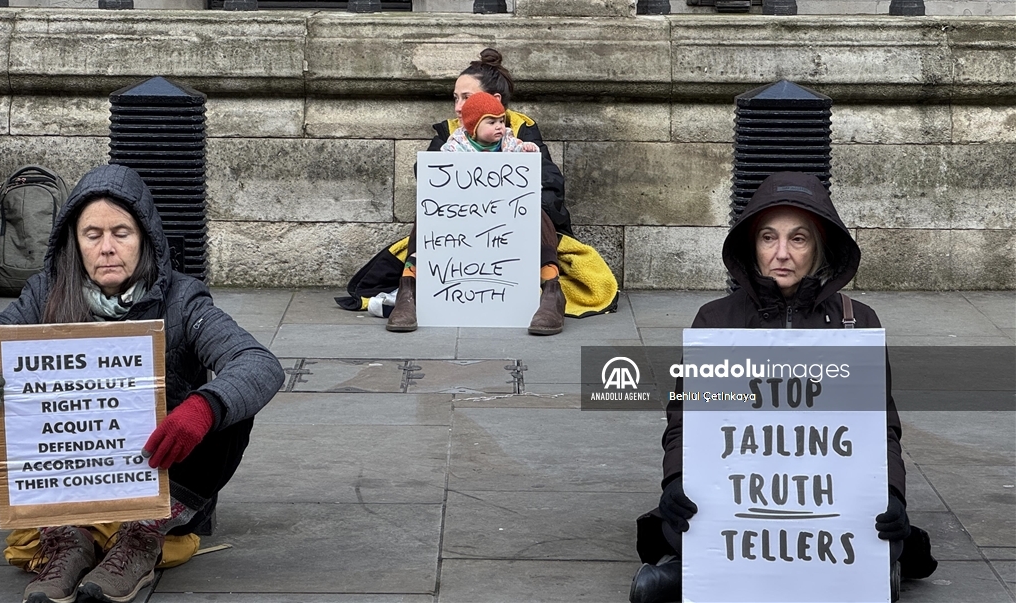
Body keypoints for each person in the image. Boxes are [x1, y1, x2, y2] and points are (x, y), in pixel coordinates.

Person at [0, 164, 286, 603]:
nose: (107, 248)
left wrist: (201, 409)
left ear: (145, 239)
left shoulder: (183, 298)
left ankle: (143, 538)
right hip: (66, 481)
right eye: (92, 235)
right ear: (74, 242)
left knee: (229, 406)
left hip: (157, 475)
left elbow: (258, 363)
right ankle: (65, 537)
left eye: (121, 233)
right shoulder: (44, 294)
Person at [628, 171, 938, 603]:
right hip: (740, 489)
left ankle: (686, 575)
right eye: (768, 237)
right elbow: (686, 418)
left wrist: (890, 493)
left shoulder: (858, 322)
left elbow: (880, 427)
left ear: (820, 246)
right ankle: (853, 576)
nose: (781, 254)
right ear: (752, 246)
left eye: (798, 239)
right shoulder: (716, 320)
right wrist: (677, 480)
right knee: (686, 521)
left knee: (879, 528)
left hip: (827, 491)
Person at [386, 48, 578, 335]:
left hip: (512, 223)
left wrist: (518, 198)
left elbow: (550, 181)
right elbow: (429, 177)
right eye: (455, 98)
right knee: (428, 213)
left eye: (466, 97)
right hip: (462, 221)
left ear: (494, 100)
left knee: (534, 210)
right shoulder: (451, 134)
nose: (458, 107)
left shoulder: (520, 131)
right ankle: (409, 290)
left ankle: (551, 291)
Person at [440, 91, 540, 153]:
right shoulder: (456, 147)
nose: (499, 126)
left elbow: (521, 151)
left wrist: (527, 148)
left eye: (501, 121)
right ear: (474, 127)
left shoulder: (509, 142)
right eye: (492, 123)